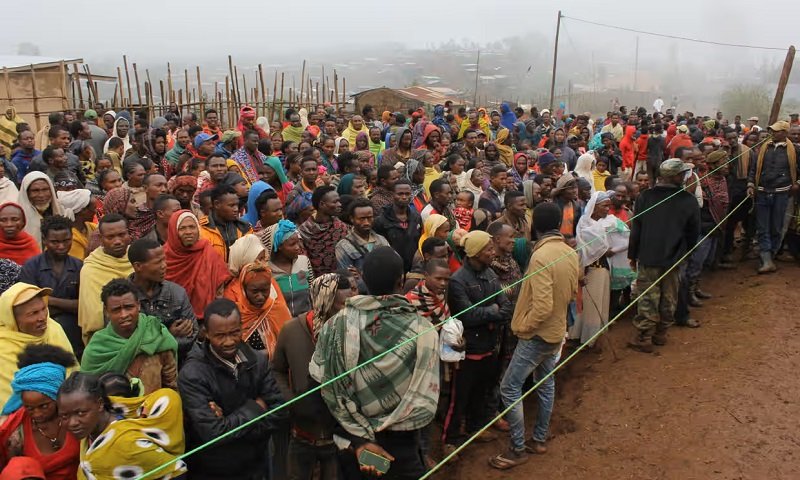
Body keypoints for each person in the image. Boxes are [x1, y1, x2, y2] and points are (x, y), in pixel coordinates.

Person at [309, 247, 439, 479]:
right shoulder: (423, 331)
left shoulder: (336, 326)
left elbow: (320, 388)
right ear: (401, 281)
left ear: (363, 279)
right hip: (404, 447)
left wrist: (360, 443)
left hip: (352, 446)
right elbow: (426, 396)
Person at [489, 202, 579, 470]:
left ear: (536, 226)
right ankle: (538, 438)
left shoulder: (541, 257)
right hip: (556, 328)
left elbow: (541, 306)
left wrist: (523, 327)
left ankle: (517, 448)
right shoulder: (568, 251)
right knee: (545, 381)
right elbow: (572, 293)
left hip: (538, 333)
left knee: (509, 386)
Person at [179, 299, 287, 480]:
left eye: (234, 333)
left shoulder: (257, 361)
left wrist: (229, 422)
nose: (229, 341)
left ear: (242, 328)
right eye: (220, 335)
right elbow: (212, 434)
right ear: (206, 333)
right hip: (213, 471)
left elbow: (280, 412)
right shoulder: (192, 374)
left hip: (256, 466)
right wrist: (256, 408)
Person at [272, 273, 355, 480]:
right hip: (302, 434)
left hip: (340, 436)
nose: (347, 311)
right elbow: (277, 370)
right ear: (323, 303)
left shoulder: (353, 333)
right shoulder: (292, 331)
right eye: (341, 305)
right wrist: (292, 401)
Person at [444, 230, 512, 450]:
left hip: (489, 343)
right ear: (474, 253)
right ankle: (450, 439)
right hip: (469, 348)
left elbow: (506, 306)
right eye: (488, 249)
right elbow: (467, 316)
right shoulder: (457, 281)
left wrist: (492, 311)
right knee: (459, 397)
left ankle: (476, 428)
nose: (493, 253)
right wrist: (493, 310)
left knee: (481, 391)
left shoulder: (490, 273)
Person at [57, 372, 187, 480]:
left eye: (80, 413)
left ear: (100, 404)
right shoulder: (92, 427)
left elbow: (176, 471)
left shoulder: (125, 444)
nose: (73, 422)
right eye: (65, 416)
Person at [628, 159, 700, 352]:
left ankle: (645, 335)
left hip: (648, 255)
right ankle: (660, 333)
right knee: (669, 296)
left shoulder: (645, 197)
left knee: (648, 296)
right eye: (683, 174)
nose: (685, 177)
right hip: (674, 258)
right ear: (675, 176)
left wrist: (632, 255)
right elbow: (693, 232)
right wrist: (687, 253)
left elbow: (637, 228)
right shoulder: (688, 200)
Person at [81, 279, 178, 394]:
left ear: (138, 305)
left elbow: (171, 388)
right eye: (116, 310)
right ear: (106, 312)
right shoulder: (97, 347)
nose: (124, 315)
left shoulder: (156, 334)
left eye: (129, 307)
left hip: (153, 409)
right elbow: (88, 392)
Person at [0, 344, 79, 480]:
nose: (36, 414)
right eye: (29, 408)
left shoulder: (79, 417)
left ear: (57, 396)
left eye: (44, 406)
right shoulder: (12, 431)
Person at [0, 283, 74, 412]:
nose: (42, 317)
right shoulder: (3, 346)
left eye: (43, 309)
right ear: (13, 319)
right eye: (33, 313)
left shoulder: (53, 328)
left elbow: (72, 372)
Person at [19, 216, 83, 357]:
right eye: (55, 242)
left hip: (73, 334)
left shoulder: (80, 266)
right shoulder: (31, 267)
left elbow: (83, 306)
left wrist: (49, 300)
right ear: (45, 240)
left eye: (66, 241)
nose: (61, 246)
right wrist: (68, 305)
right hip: (40, 333)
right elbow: (29, 306)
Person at [128, 238, 197, 361]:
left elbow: (191, 335)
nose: (164, 266)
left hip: (178, 361)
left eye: (164, 260)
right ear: (138, 266)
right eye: (158, 262)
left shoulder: (177, 293)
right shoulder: (122, 298)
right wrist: (167, 335)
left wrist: (150, 344)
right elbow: (125, 343)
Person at [747, 120, 799, 273]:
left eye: (776, 131)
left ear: (784, 133)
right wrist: (751, 184)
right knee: (762, 226)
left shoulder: (794, 150)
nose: (773, 133)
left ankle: (770, 253)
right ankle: (766, 258)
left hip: (782, 193)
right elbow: (754, 168)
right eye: (772, 131)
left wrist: (797, 183)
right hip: (763, 191)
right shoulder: (763, 148)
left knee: (776, 227)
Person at [78, 214, 135, 344]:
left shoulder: (138, 259)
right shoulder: (91, 270)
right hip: (106, 339)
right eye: (110, 237)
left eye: (122, 235)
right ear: (101, 239)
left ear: (129, 234)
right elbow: (94, 319)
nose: (117, 241)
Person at [222, 261, 292, 357]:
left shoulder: (278, 310)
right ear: (244, 290)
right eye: (255, 291)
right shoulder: (236, 314)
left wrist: (267, 354)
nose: (260, 296)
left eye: (265, 290)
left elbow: (289, 344)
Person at [260, 220, 313, 318]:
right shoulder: (267, 270)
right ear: (278, 246)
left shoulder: (304, 262)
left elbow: (311, 293)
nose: (298, 247)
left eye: (298, 242)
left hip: (305, 323)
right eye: (292, 244)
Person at [335, 197, 390, 284]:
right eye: (361, 219)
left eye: (369, 218)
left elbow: (391, 269)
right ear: (352, 219)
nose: (366, 222)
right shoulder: (343, 247)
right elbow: (349, 281)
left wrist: (361, 275)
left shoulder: (382, 240)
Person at [373, 179, 423, 272]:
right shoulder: (381, 221)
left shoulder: (416, 218)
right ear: (393, 195)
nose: (404, 197)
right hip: (391, 269)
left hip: (412, 269)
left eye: (407, 194)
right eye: (400, 194)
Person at [298, 186, 349, 275]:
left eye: (339, 201)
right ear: (322, 204)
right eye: (335, 202)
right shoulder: (304, 231)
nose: (339, 204)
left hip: (340, 278)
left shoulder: (341, 227)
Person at [198, 184, 253, 262]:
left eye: (237, 205)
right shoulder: (202, 229)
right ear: (217, 204)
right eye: (231, 205)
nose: (236, 209)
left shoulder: (245, 228)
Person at [17, 172, 66, 247]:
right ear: (27, 193)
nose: (41, 195)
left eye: (45, 189)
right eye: (35, 191)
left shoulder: (61, 211)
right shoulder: (17, 217)